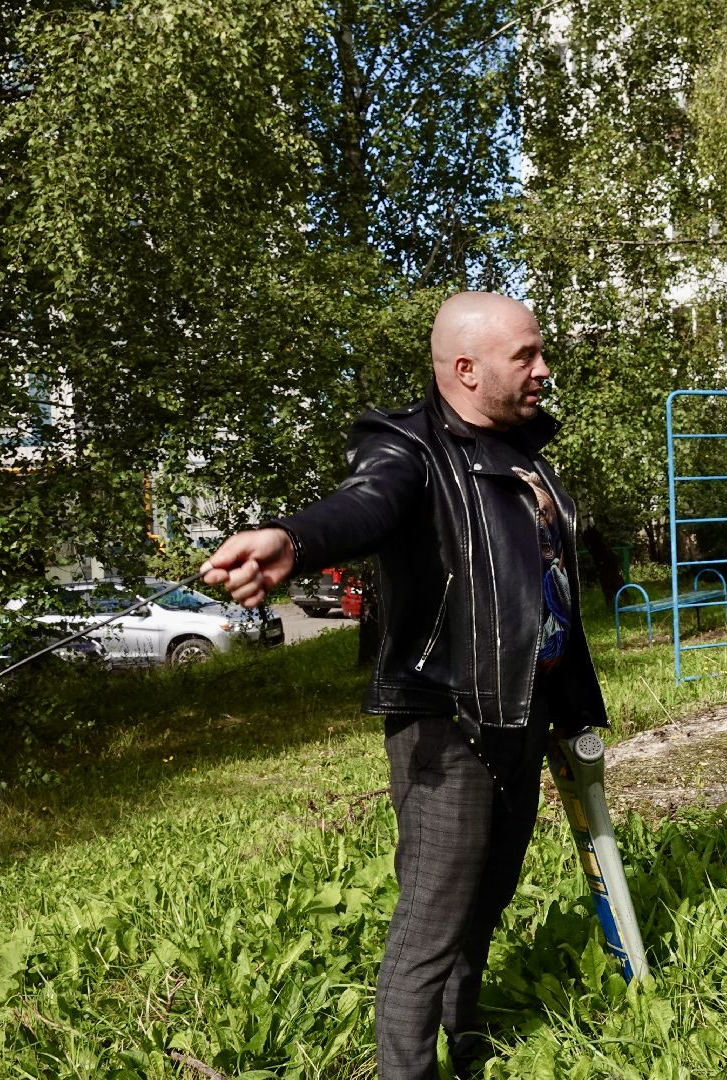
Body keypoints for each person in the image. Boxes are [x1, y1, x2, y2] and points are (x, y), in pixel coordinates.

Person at [201, 292, 609, 1079]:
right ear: (464, 369)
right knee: (432, 923)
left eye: (538, 351)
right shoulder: (406, 447)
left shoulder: (523, 447)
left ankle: (465, 1043)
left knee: (486, 900)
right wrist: (294, 539)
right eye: (524, 355)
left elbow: (540, 590)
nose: (542, 368)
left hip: (523, 712)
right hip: (446, 722)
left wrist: (564, 706)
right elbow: (366, 503)